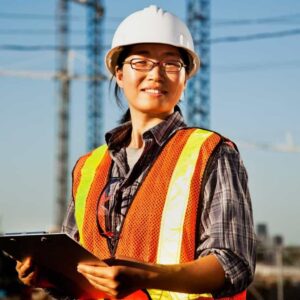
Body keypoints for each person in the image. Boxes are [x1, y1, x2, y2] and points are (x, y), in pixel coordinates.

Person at [16, 5, 256, 300]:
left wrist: (142, 276)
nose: (156, 74)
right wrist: (51, 276)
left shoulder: (212, 153)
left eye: (171, 64)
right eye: (141, 62)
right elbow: (80, 274)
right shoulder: (88, 168)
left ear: (185, 78)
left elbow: (233, 264)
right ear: (119, 73)